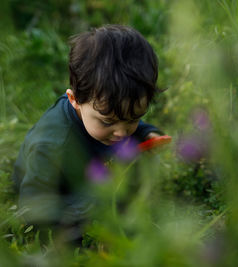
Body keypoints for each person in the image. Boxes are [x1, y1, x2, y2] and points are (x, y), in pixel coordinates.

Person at [12, 24, 162, 243]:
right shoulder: (51, 144)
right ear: (74, 100)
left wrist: (147, 132)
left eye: (133, 118)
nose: (122, 132)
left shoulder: (106, 116)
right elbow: (33, 207)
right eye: (108, 121)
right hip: (59, 198)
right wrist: (90, 206)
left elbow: (123, 122)